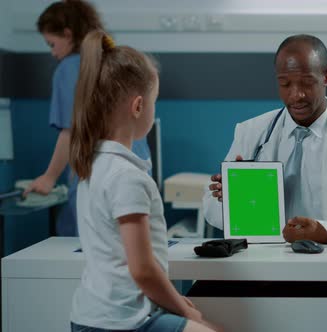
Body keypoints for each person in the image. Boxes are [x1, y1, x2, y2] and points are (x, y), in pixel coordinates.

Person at [195, 34, 327, 298]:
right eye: (285, 84)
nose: (296, 95)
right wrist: (230, 201)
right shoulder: (252, 133)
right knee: (200, 298)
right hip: (256, 269)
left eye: (307, 83)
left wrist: (325, 231)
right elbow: (210, 208)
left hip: (324, 274)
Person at [68, 30, 221, 332]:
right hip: (122, 322)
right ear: (138, 106)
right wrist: (185, 308)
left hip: (89, 316)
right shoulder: (127, 177)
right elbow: (143, 270)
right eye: (154, 101)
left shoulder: (92, 165)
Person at [25, 0, 151, 236]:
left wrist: (49, 178)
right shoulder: (116, 62)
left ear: (68, 34)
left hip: (95, 179)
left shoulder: (68, 69)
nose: (53, 53)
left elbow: (70, 130)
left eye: (52, 44)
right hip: (139, 172)